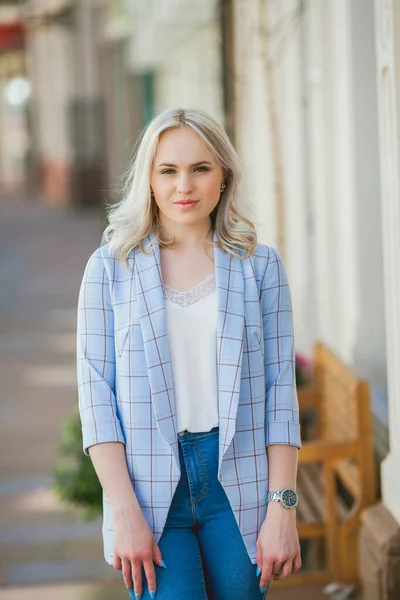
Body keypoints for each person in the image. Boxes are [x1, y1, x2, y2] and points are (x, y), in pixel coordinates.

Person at [76, 107, 302, 600]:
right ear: (149, 180)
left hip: (238, 484)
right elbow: (97, 399)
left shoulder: (259, 266)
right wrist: (123, 512)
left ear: (223, 176)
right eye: (168, 170)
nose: (185, 185)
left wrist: (282, 508)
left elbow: (280, 389)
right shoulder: (109, 269)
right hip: (148, 490)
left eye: (200, 168)